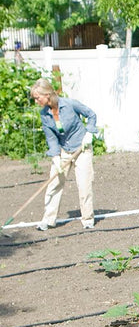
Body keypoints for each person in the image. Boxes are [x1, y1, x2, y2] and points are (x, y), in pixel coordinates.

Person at [29, 78, 99, 230]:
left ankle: (88, 219)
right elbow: (51, 137)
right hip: (63, 150)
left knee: (83, 184)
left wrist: (90, 133)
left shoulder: (69, 104)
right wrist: (55, 157)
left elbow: (91, 115)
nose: (36, 101)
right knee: (54, 183)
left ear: (46, 94)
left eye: (37, 97)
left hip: (82, 148)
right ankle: (48, 219)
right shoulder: (45, 114)